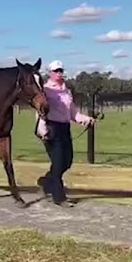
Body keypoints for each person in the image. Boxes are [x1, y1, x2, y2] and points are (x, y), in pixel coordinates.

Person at [35, 60, 95, 207]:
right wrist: (42, 129)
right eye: (56, 71)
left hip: (64, 128)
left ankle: (46, 182)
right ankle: (59, 197)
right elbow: (40, 111)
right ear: (50, 73)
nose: (59, 73)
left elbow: (72, 112)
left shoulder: (66, 90)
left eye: (61, 70)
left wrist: (85, 120)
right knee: (58, 163)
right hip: (51, 128)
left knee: (67, 162)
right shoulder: (45, 90)